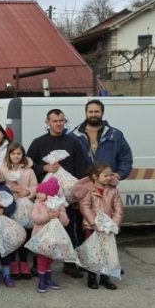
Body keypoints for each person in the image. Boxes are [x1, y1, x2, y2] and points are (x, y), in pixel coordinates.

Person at [27, 109, 88, 279]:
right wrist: (44, 168)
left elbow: (81, 168)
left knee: (69, 227)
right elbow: (28, 165)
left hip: (67, 196)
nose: (59, 124)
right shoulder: (38, 143)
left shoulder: (73, 142)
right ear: (47, 123)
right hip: (45, 196)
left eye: (61, 120)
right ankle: (37, 264)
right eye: (54, 121)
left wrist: (78, 194)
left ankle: (69, 263)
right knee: (42, 229)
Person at [77, 162, 124, 290]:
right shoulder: (88, 190)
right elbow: (85, 208)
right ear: (95, 176)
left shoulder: (113, 190)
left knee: (106, 252)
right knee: (93, 252)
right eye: (105, 175)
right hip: (92, 227)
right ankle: (92, 276)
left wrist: (113, 223)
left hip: (107, 228)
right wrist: (94, 223)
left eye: (110, 175)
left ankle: (105, 277)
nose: (108, 178)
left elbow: (118, 208)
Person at [70, 99, 133, 181]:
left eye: (96, 112)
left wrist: (119, 174)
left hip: (108, 185)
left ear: (102, 113)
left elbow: (126, 158)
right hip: (83, 186)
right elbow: (69, 163)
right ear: (86, 113)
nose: (93, 114)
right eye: (90, 112)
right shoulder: (74, 136)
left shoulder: (115, 135)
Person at [0, 142, 37, 279]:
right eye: (13, 153)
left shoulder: (29, 170)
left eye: (19, 153)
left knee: (24, 235)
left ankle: (24, 263)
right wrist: (11, 189)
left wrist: (27, 192)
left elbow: (35, 186)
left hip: (25, 206)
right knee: (12, 235)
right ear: (9, 155)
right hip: (11, 205)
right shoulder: (3, 170)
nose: (16, 156)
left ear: (23, 155)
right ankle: (13, 265)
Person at [30, 177, 68, 293]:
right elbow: (35, 218)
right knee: (42, 258)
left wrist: (59, 215)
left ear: (49, 194)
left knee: (50, 259)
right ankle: (42, 281)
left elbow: (66, 222)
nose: (37, 194)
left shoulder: (59, 205)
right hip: (41, 237)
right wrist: (48, 216)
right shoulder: (38, 205)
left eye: (41, 192)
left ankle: (48, 279)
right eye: (37, 192)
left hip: (54, 237)